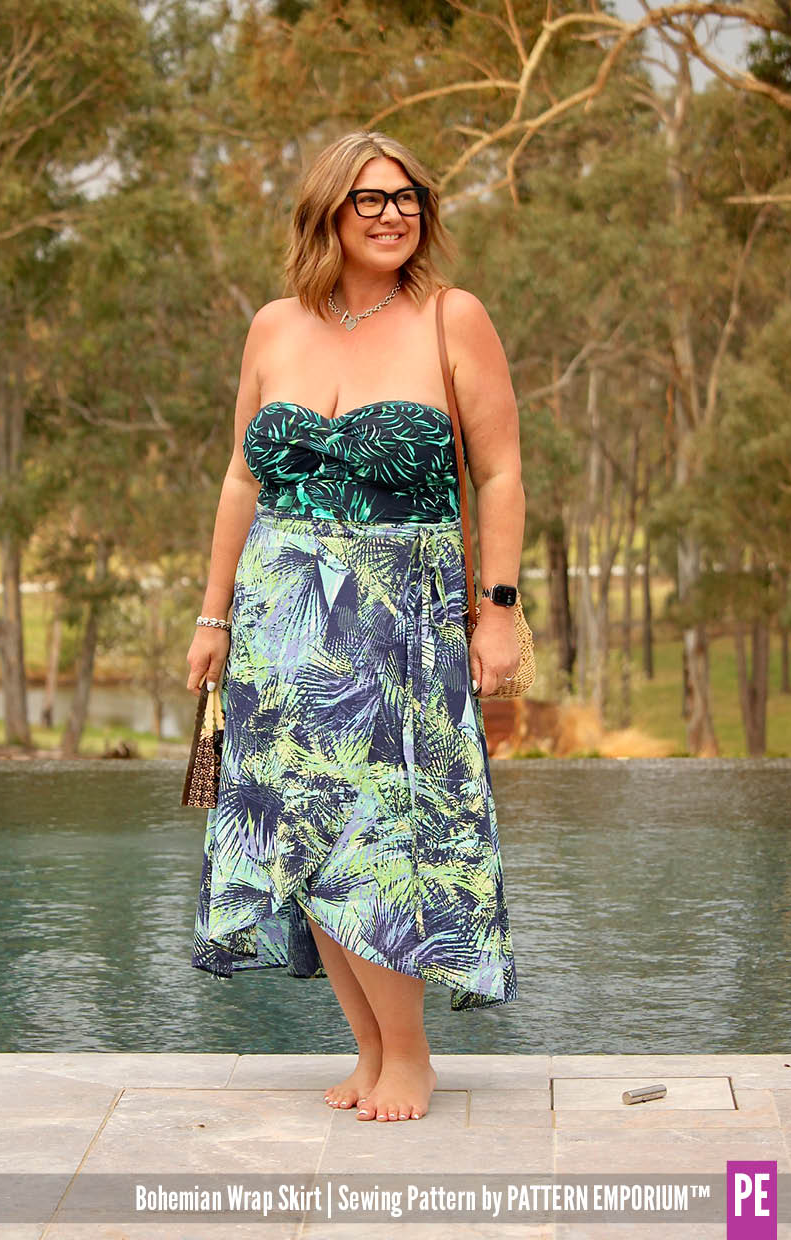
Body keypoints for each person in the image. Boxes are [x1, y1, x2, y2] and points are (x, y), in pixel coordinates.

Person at [186, 130, 524, 1124]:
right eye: (368, 198)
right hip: (278, 622)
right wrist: (212, 616)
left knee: (382, 835)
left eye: (406, 196)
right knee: (307, 837)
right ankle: (370, 1048)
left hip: (400, 620)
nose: (391, 213)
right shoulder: (272, 326)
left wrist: (499, 610)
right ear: (326, 211)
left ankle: (410, 1054)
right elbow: (241, 479)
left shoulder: (451, 316)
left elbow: (500, 471)